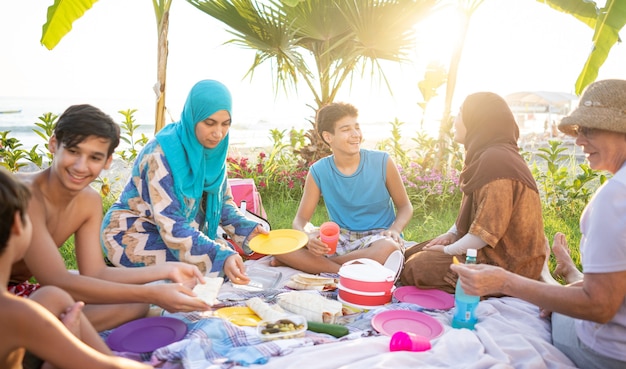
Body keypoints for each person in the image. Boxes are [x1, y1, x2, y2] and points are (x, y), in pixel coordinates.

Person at [451, 79, 626, 369]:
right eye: (578, 131)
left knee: (553, 309)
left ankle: (559, 274)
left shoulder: (615, 198)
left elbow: (598, 306)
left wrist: (506, 282)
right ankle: (570, 273)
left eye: (590, 130)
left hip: (607, 353)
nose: (579, 140)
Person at [0, 168, 184, 369]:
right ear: (16, 227)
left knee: (51, 297)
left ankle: (58, 368)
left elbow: (90, 275)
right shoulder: (16, 313)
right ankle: (59, 368)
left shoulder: (17, 310)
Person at [11, 104, 209, 332]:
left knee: (135, 304)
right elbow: (55, 281)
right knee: (56, 294)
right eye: (73, 151)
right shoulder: (24, 194)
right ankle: (41, 345)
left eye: (94, 157)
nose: (80, 166)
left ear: (107, 161)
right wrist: (153, 292)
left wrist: (167, 270)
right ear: (54, 144)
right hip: (15, 299)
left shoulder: (88, 201)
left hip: (21, 291)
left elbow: (95, 273)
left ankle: (50, 339)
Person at [101, 80, 267, 286]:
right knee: (206, 272)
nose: (218, 133)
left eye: (225, 124)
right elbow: (171, 223)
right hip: (133, 234)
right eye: (210, 123)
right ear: (193, 117)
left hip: (175, 232)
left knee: (226, 263)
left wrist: (249, 229)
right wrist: (219, 256)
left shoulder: (213, 151)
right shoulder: (161, 155)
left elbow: (223, 203)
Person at [399, 92, 546, 294]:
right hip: (487, 251)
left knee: (417, 266)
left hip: (509, 264)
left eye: (460, 114)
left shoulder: (497, 161)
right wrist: (450, 235)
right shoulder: (487, 155)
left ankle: (479, 288)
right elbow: (476, 211)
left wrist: (448, 250)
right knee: (408, 253)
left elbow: (485, 233)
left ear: (479, 120)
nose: (455, 121)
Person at [271, 102, 413, 274]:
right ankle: (342, 269)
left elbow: (405, 206)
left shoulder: (382, 161)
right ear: (328, 137)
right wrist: (308, 237)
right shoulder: (319, 171)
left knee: (388, 249)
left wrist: (394, 230)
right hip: (340, 239)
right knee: (278, 244)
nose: (355, 135)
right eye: (346, 129)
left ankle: (320, 266)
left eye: (357, 127)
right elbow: (300, 219)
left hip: (379, 238)